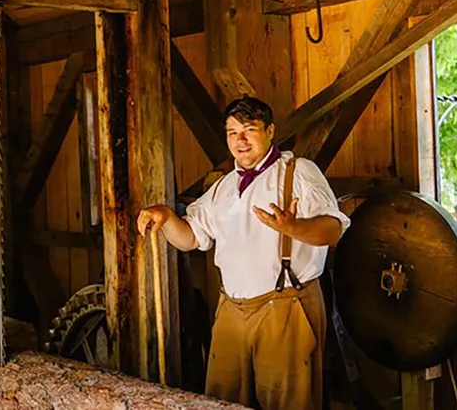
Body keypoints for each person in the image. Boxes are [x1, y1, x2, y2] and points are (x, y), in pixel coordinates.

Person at [137, 96, 350, 410]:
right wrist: (168, 218)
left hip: (285, 307)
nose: (240, 139)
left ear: (270, 131)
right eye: (232, 132)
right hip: (231, 313)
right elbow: (191, 238)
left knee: (290, 403)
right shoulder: (223, 188)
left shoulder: (297, 172)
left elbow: (333, 230)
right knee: (221, 402)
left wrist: (293, 227)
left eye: (249, 129)